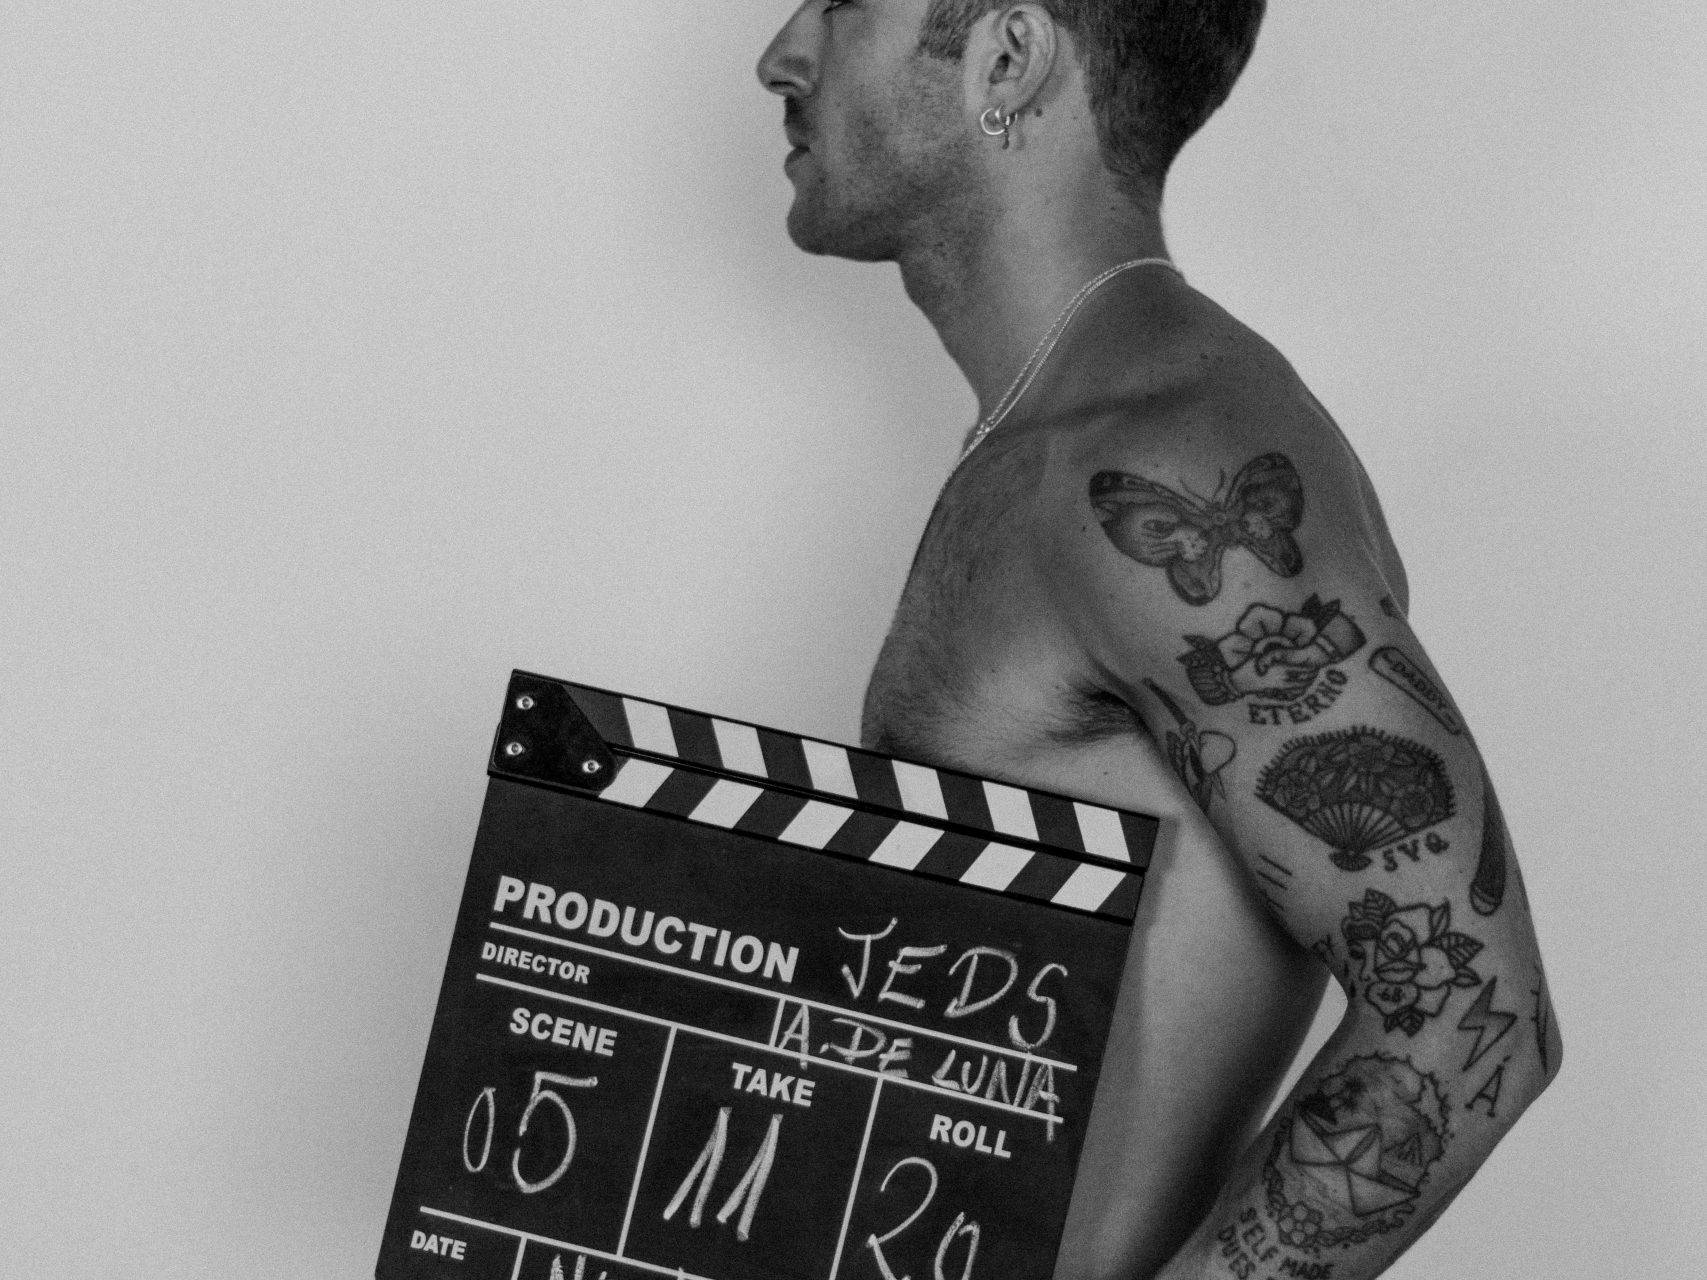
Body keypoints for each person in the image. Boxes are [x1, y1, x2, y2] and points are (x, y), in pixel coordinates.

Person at [755, 3, 1561, 1278]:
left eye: (845, 3)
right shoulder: (1049, 439)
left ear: (1008, 57)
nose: (782, 53)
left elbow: (1472, 1024)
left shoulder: (1167, 453)